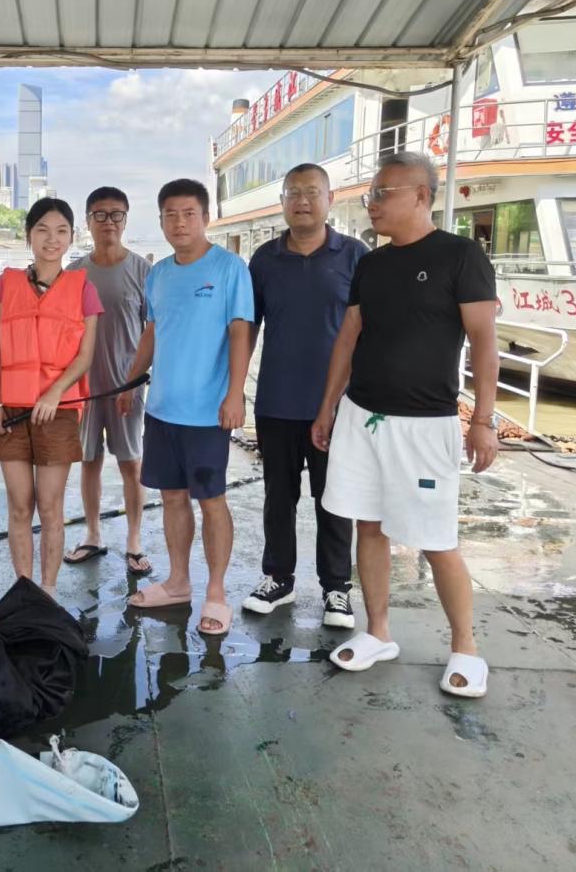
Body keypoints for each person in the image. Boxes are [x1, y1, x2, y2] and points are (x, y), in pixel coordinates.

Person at [311, 151, 500, 698]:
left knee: (437, 539)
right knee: (368, 526)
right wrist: (327, 407)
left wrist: (483, 420)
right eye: (371, 194)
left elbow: (484, 342)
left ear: (421, 195)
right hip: (362, 417)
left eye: (382, 193)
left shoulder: (460, 256)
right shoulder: (371, 264)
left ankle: (466, 647)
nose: (371, 203)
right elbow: (349, 337)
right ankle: (378, 632)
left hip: (425, 423)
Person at [118, 179, 253, 637]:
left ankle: (216, 592)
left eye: (188, 213)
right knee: (172, 497)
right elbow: (152, 333)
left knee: (212, 501)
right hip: (162, 409)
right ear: (160, 221)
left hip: (207, 412)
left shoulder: (230, 268)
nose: (179, 223)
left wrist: (235, 393)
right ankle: (178, 582)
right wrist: (130, 381)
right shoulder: (158, 274)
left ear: (206, 217)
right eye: (170, 215)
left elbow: (240, 332)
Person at [243, 163, 365, 628]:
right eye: (293, 193)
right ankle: (279, 578)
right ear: (282, 202)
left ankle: (336, 588)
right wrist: (234, 388)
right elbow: (248, 328)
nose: (302, 201)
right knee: (278, 496)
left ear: (330, 199)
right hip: (276, 400)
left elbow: (368, 331)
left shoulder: (354, 255)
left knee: (334, 499)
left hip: (336, 406)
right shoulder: (264, 259)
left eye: (312, 192)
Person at [0, 197, 101, 599]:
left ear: (72, 236)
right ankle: (23, 590)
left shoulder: (84, 288)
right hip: (11, 410)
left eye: (61, 231)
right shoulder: (6, 284)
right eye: (43, 230)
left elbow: (85, 356)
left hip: (59, 410)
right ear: (28, 235)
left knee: (50, 507)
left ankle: (47, 592)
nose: (52, 239)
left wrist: (55, 392)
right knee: (19, 505)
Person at [63, 186, 152, 575]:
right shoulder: (73, 273)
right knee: (89, 461)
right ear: (88, 221)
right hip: (83, 388)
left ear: (126, 220)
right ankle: (93, 534)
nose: (108, 222)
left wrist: (135, 384)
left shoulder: (143, 272)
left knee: (131, 463)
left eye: (116, 214)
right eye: (99, 214)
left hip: (126, 387)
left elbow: (153, 334)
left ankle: (134, 540)